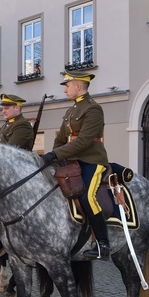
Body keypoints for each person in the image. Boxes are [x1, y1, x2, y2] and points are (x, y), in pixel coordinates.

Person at [42, 71, 110, 261]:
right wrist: (55, 156)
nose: (64, 89)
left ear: (78, 86)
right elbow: (61, 139)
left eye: (67, 85)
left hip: (91, 160)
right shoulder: (71, 111)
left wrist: (55, 154)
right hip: (71, 162)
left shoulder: (93, 109)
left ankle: (102, 244)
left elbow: (84, 142)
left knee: (88, 197)